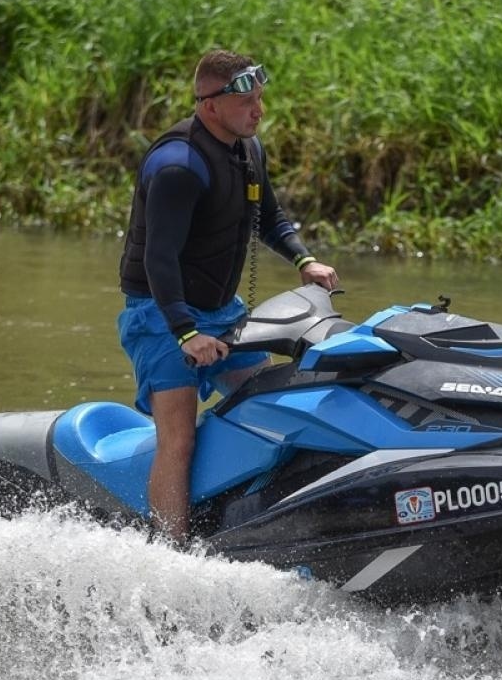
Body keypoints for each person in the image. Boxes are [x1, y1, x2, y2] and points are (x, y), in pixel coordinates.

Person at [118, 50, 339, 542]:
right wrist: (186, 333)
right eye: (247, 102)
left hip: (222, 313)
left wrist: (305, 260)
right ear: (210, 104)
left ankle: (255, 512)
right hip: (162, 317)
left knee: (279, 401)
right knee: (180, 440)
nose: (259, 111)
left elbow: (273, 219)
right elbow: (159, 261)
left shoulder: (248, 148)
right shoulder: (178, 165)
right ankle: (170, 551)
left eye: (261, 99)